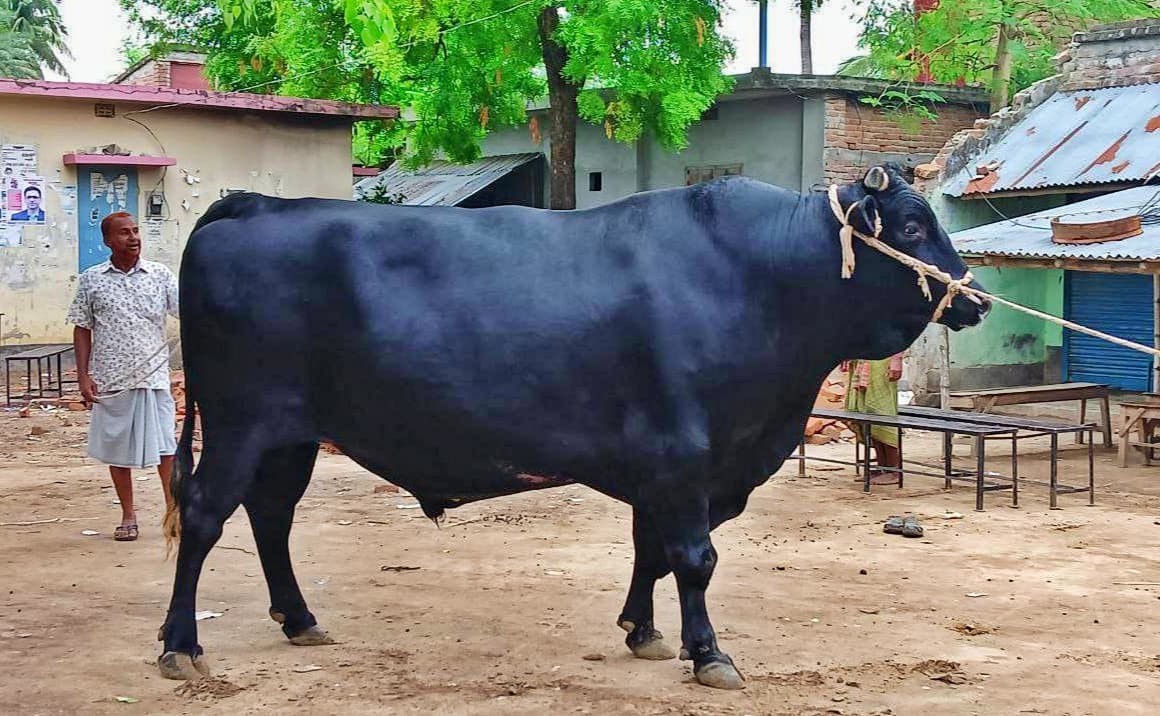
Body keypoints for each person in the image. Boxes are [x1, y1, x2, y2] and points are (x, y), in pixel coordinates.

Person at [67, 212, 179, 541]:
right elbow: (82, 328)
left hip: (154, 378)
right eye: (124, 233)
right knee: (117, 450)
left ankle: (174, 512)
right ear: (107, 241)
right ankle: (128, 515)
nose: (133, 238)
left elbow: (186, 310)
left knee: (166, 448)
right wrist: (83, 376)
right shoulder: (91, 279)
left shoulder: (160, 275)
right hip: (112, 380)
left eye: (136, 231)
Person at [843, 353, 905, 485]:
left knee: (882, 414)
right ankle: (883, 467)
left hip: (882, 363)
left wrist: (897, 359)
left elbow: (898, 339)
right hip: (863, 360)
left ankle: (894, 470)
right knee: (867, 414)